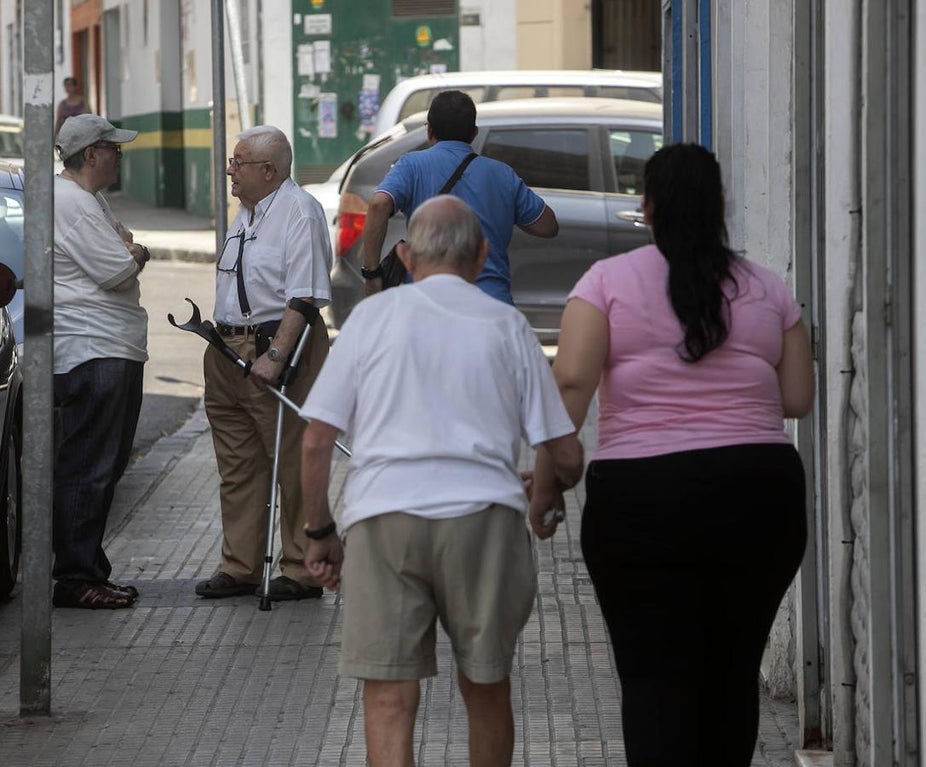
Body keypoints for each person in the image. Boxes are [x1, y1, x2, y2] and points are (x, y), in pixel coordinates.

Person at [529, 143, 814, 766]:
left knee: (653, 675)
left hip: (642, 499)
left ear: (647, 209)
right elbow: (796, 398)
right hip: (759, 492)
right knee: (732, 671)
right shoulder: (768, 288)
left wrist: (547, 484)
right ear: (719, 207)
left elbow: (571, 386)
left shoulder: (606, 283)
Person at [300, 196, 584, 767]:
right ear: (481, 256)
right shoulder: (507, 325)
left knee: (387, 697)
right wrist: (547, 491)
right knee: (485, 687)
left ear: (404, 254)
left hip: (383, 523)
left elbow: (314, 440)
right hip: (484, 522)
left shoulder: (370, 320)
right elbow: (566, 451)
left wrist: (320, 531)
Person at [193, 125, 333, 601]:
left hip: (277, 348)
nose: (229, 170)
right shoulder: (246, 212)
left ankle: (301, 567)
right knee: (238, 463)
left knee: (292, 460)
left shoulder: (299, 211)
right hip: (228, 351)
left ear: (269, 171)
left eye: (238, 162)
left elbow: (306, 293)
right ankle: (241, 564)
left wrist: (275, 356)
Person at [51, 114, 152, 609]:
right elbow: (116, 269)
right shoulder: (71, 201)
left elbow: (121, 246)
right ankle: (76, 577)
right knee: (89, 466)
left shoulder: (88, 199)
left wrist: (129, 248)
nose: (119, 154)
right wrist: (136, 251)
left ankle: (88, 569)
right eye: (113, 148)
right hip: (94, 348)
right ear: (91, 154)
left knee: (102, 465)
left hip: (110, 346)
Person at [358, 89, 558, 304]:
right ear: (473, 133)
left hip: (429, 304)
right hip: (490, 303)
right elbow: (547, 226)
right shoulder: (502, 174)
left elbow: (379, 205)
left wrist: (372, 274)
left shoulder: (411, 165)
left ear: (429, 131)